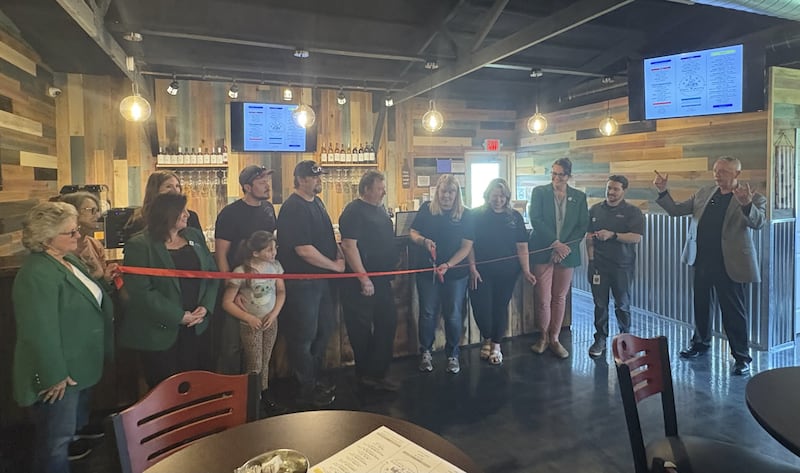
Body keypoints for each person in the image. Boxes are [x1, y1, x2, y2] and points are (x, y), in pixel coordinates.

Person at [12, 202, 114, 473]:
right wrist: (54, 374)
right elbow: (38, 330)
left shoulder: (67, 259)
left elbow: (91, 295)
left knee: (64, 438)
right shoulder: (37, 273)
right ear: (46, 239)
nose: (78, 236)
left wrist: (102, 279)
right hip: (59, 377)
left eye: (76, 229)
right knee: (55, 443)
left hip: (78, 366)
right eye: (70, 233)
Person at [654, 156, 765, 375]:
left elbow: (758, 223)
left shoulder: (752, 197)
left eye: (723, 171)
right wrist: (663, 191)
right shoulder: (704, 192)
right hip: (702, 260)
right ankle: (700, 344)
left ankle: (741, 357)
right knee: (701, 306)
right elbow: (676, 210)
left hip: (730, 264)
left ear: (737, 174)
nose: (717, 174)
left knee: (734, 312)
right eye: (715, 170)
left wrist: (747, 205)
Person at [121, 193, 219, 388]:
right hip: (161, 330)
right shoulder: (139, 245)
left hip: (196, 327)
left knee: (197, 385)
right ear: (167, 214)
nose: (187, 215)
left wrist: (205, 307)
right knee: (165, 390)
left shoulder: (194, 236)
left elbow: (212, 274)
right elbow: (140, 292)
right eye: (181, 211)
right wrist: (178, 316)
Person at [277, 160, 344, 407]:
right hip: (302, 282)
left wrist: (338, 252)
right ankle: (306, 387)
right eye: (314, 177)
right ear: (301, 179)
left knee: (324, 330)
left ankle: (314, 379)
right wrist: (334, 265)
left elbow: (327, 235)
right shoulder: (293, 208)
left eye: (319, 176)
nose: (319, 180)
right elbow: (303, 250)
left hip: (320, 280)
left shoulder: (317, 202)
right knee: (303, 337)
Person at [339, 170, 401, 391]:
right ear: (366, 189)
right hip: (360, 282)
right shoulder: (354, 211)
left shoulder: (379, 210)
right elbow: (349, 246)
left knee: (388, 322)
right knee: (361, 329)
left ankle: (376, 373)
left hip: (381, 279)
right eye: (379, 188)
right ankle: (366, 375)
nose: (383, 191)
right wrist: (363, 278)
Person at [214, 165, 277, 374]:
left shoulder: (269, 209)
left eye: (267, 181)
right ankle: (230, 393)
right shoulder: (229, 214)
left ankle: (259, 390)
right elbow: (221, 254)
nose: (267, 185)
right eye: (261, 182)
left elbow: (269, 249)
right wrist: (231, 289)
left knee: (263, 345)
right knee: (232, 346)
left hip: (264, 288)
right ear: (247, 187)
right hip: (238, 287)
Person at [410, 174, 474, 374]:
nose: (447, 196)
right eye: (444, 191)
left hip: (455, 274)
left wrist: (448, 264)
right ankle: (426, 352)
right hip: (427, 270)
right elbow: (413, 232)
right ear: (437, 191)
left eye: (451, 192)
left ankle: (453, 354)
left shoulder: (466, 215)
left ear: (457, 194)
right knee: (428, 313)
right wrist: (423, 241)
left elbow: (466, 247)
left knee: (453, 315)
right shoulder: (426, 209)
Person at [468, 178, 537, 366]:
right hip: (481, 271)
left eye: (502, 196)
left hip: (507, 272)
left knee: (500, 307)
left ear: (507, 197)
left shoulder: (514, 217)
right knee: (481, 309)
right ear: (488, 195)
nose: (498, 199)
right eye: (495, 195)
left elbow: (522, 246)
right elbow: (469, 245)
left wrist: (526, 270)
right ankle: (487, 338)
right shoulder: (475, 215)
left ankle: (496, 345)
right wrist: (472, 267)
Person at [528, 157, 588, 359]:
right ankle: (543, 337)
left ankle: (555, 338)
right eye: (553, 173)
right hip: (543, 249)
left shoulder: (579, 197)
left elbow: (582, 226)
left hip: (567, 253)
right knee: (543, 298)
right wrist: (555, 243)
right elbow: (535, 219)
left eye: (560, 174)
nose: (556, 177)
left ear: (569, 176)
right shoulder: (540, 192)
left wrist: (564, 248)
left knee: (560, 297)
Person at [221, 231, 286, 414]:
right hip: (251, 324)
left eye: (275, 248)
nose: (274, 253)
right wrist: (248, 318)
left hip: (270, 321)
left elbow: (281, 292)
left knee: (265, 360)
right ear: (255, 253)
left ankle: (263, 394)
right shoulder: (241, 272)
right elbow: (227, 302)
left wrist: (274, 314)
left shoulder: (276, 267)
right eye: (269, 250)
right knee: (254, 363)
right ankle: (252, 399)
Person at [585, 175, 644, 358]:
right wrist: (592, 260)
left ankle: (625, 340)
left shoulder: (633, 212)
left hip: (622, 266)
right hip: (598, 266)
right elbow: (588, 237)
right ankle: (600, 339)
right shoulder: (595, 210)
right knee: (600, 304)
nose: (611, 192)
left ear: (623, 191)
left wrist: (612, 235)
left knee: (622, 305)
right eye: (609, 187)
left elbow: (636, 237)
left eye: (616, 189)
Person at [123, 170, 201, 239]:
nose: (175, 190)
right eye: (168, 186)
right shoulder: (139, 220)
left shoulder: (190, 217)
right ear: (155, 190)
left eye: (177, 186)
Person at [59, 192, 119, 281]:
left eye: (98, 211)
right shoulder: (59, 246)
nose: (98, 216)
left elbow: (101, 284)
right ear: (73, 211)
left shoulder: (95, 245)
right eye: (92, 210)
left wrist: (107, 278)